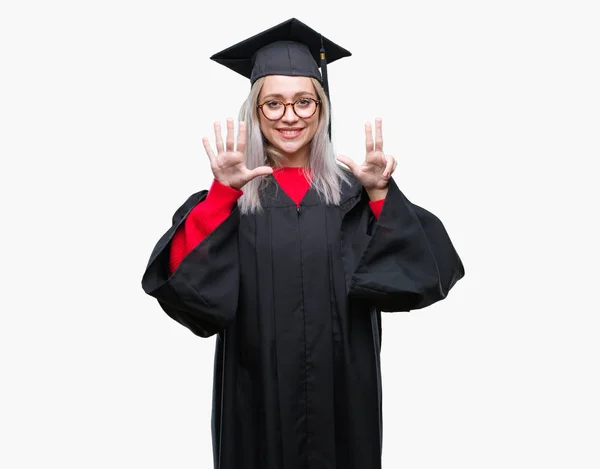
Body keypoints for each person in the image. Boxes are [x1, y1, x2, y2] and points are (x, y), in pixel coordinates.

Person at [141, 17, 464, 469]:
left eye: (303, 103)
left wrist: (378, 195)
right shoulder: (233, 198)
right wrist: (221, 195)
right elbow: (186, 293)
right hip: (254, 395)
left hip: (344, 396)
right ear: (254, 111)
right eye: (272, 104)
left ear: (322, 108)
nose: (289, 116)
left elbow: (422, 275)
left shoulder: (351, 195)